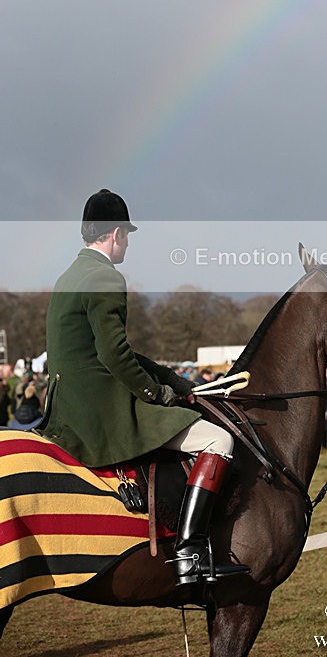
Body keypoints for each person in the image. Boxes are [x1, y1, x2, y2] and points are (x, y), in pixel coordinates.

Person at [37, 189, 249, 586]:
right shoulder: (105, 276)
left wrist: (176, 381)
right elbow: (115, 357)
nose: (129, 243)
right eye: (127, 235)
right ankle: (189, 553)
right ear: (115, 234)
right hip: (100, 410)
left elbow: (118, 349)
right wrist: (158, 395)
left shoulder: (71, 274)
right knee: (218, 441)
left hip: (66, 406)